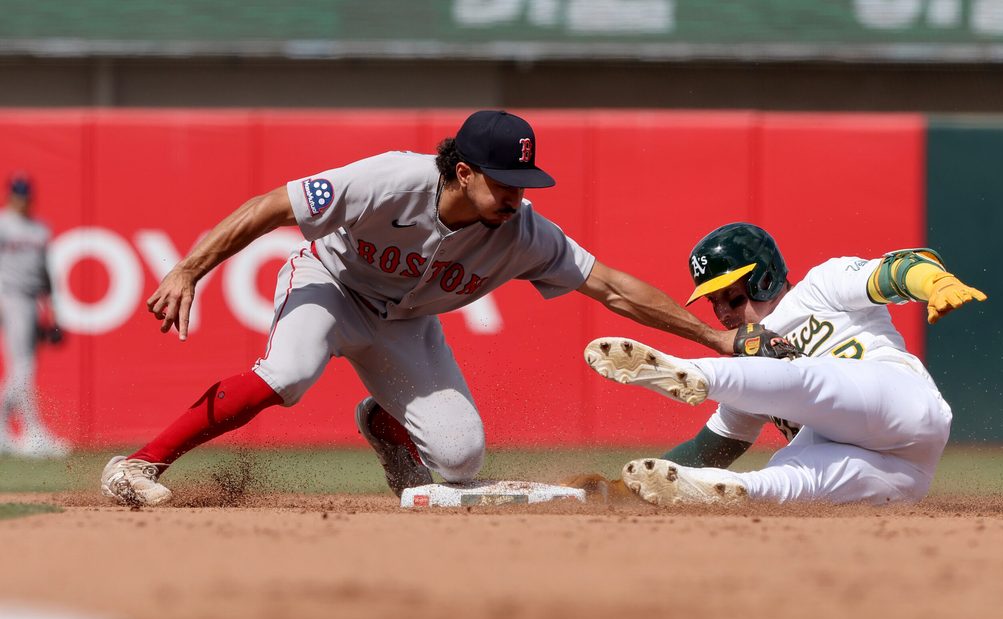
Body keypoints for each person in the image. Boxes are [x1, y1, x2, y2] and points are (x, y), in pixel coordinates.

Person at [100, 110, 760, 507]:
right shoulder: (390, 179)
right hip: (331, 283)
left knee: (462, 456)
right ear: (464, 170)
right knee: (291, 373)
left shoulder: (524, 234)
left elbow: (610, 285)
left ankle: (385, 425)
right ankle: (137, 465)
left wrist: (711, 335)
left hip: (405, 325)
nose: (518, 197)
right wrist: (190, 268)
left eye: (526, 184)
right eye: (507, 182)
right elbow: (274, 205)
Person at [584, 221, 986, 506]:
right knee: (786, 477)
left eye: (733, 297)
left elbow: (896, 270)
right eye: (714, 302)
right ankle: (712, 491)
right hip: (902, 478)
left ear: (765, 278)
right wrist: (626, 488)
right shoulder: (752, 371)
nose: (723, 313)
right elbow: (712, 447)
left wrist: (934, 283)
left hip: (904, 409)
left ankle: (698, 372)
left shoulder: (821, 287)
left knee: (802, 378)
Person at [0, 174, 70, 458]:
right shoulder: (3, 223)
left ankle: (6, 429)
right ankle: (33, 431)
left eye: (25, 195)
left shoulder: (40, 229)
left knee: (23, 367)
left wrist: (52, 309)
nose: (22, 200)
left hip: (30, 299)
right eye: (18, 195)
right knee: (24, 366)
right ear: (10, 195)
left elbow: (45, 273)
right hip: (8, 294)